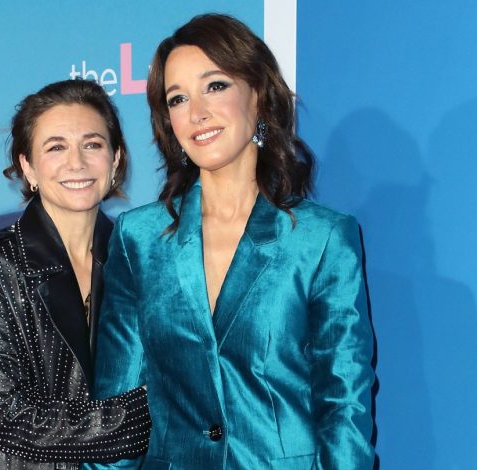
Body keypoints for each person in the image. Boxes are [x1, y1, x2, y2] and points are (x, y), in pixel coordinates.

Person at [87, 14, 375, 470]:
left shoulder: (321, 239)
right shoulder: (138, 239)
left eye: (215, 86)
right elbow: (118, 407)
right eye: (177, 98)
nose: (196, 111)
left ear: (257, 95)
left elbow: (344, 405)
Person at [0, 79, 151, 470]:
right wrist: (137, 418)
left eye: (93, 145)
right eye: (56, 147)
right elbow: (8, 420)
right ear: (28, 166)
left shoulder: (137, 258)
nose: (77, 163)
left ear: (116, 160)